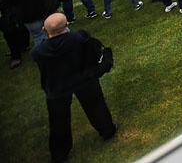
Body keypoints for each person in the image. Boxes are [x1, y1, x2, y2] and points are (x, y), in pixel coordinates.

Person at [31, 12, 118, 162]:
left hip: (57, 87)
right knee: (96, 105)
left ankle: (60, 153)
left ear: (44, 29)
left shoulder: (39, 52)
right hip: (83, 79)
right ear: (67, 25)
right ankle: (107, 130)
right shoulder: (79, 37)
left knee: (58, 120)